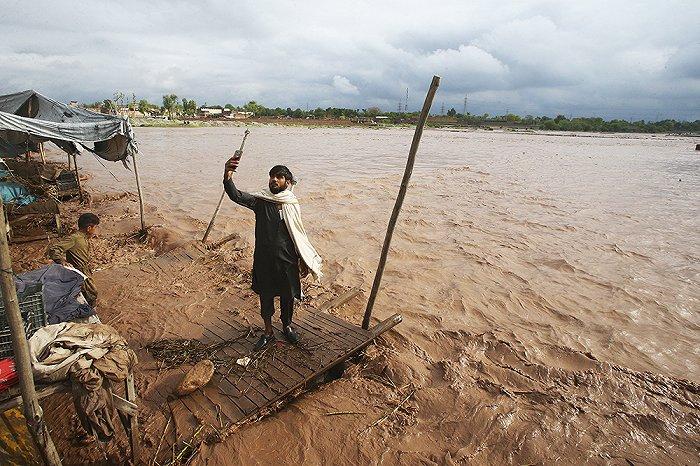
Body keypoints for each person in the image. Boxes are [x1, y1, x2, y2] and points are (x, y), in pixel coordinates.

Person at [223, 158, 322, 350]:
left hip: (287, 260)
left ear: (288, 182)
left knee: (288, 297)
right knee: (266, 297)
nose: (273, 180)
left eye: (279, 176)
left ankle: (287, 326)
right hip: (264, 260)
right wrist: (228, 174)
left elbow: (299, 235)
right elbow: (235, 195)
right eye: (271, 176)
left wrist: (302, 259)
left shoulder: (291, 203)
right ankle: (268, 332)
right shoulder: (260, 201)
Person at [47, 212, 100, 307]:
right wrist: (61, 261)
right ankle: (88, 312)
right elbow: (54, 249)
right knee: (92, 292)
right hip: (79, 271)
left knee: (86, 292)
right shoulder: (74, 238)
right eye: (95, 227)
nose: (96, 230)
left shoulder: (83, 237)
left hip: (85, 269)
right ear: (89, 228)